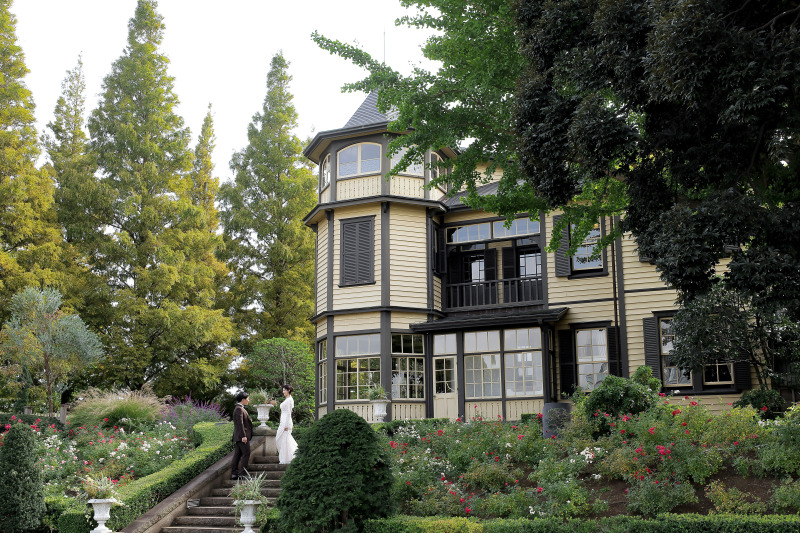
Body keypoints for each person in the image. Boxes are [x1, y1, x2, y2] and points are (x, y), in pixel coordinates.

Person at [271, 384, 298, 464]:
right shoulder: (287, 399)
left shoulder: (290, 400)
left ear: (288, 390)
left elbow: (289, 412)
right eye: (283, 390)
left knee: (284, 439)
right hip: (283, 421)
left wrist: (286, 425)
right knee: (280, 439)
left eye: (284, 390)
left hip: (286, 422)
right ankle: (286, 457)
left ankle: (289, 457)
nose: (283, 392)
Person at [231, 390, 253, 479]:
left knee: (237, 455)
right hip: (241, 436)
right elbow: (240, 424)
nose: (248, 400)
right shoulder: (239, 409)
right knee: (246, 453)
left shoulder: (239, 408)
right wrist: (244, 436)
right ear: (243, 399)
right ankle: (243, 474)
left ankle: (234, 474)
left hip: (240, 436)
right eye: (248, 398)